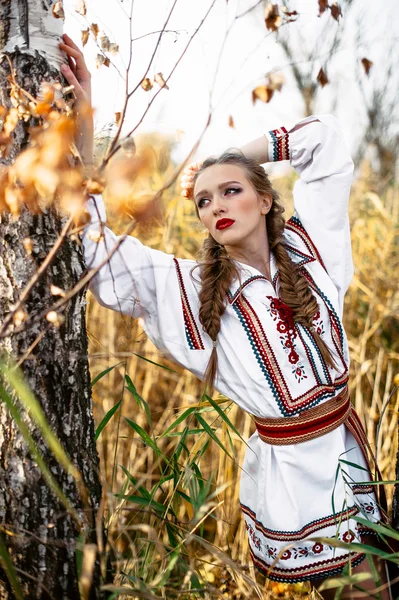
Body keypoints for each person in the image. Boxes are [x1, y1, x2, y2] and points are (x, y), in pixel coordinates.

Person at [59, 34, 393, 598]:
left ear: (264, 200)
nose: (215, 207)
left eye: (230, 191)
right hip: (298, 482)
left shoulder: (312, 251)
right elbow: (95, 248)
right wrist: (84, 120)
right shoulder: (193, 291)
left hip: (352, 456)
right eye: (204, 200)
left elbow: (328, 143)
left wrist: (233, 154)